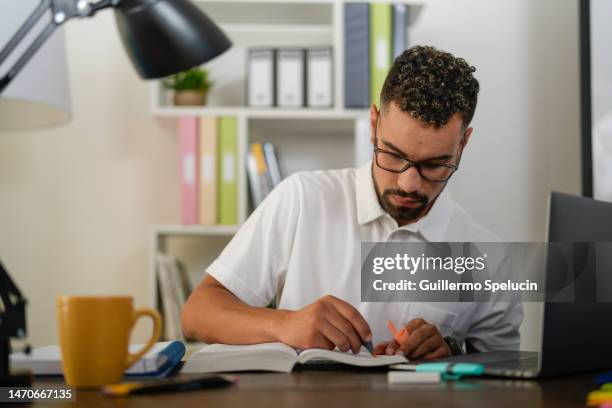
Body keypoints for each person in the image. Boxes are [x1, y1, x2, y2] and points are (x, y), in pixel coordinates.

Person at [182, 45, 523, 359]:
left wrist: (452, 355)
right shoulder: (303, 198)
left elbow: (505, 378)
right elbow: (197, 313)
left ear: (463, 144)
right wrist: (284, 324)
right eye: (393, 154)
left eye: (433, 164)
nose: (408, 183)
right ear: (374, 125)